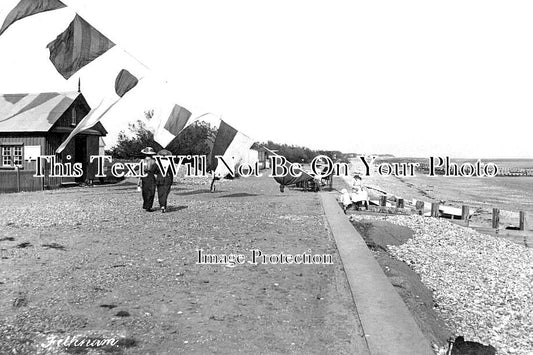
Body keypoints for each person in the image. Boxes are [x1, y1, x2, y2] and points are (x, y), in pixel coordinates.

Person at [138, 147, 158, 211]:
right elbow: (156, 171)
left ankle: (145, 205)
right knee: (151, 191)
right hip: (151, 176)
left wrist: (139, 180)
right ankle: (149, 206)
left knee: (145, 191)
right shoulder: (154, 161)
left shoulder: (142, 161)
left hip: (144, 176)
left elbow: (140, 171)